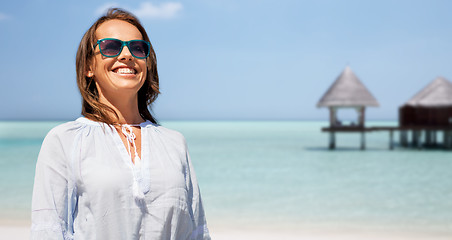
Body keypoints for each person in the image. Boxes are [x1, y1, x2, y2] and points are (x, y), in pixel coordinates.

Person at [31, 8, 210, 240]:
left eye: (138, 48)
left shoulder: (174, 143)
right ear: (88, 67)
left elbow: (195, 233)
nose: (127, 55)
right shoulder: (65, 140)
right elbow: (49, 231)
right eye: (110, 46)